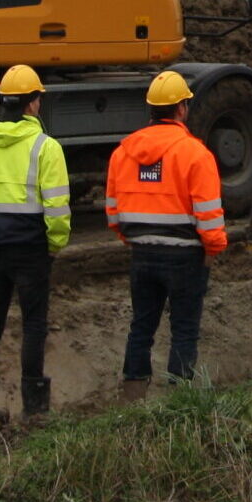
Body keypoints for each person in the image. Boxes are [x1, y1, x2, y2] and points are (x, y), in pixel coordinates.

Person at [106, 70, 228, 402]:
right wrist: (213, 248)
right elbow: (208, 212)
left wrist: (133, 240)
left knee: (141, 327)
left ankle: (132, 398)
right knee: (184, 330)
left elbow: (114, 213)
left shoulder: (124, 152)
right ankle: (180, 402)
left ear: (151, 109)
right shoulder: (195, 153)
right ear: (182, 109)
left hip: (142, 255)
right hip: (186, 256)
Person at [0, 63, 71, 420]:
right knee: (34, 323)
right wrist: (55, 244)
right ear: (32, 104)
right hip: (32, 249)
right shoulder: (46, 147)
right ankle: (34, 409)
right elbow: (56, 207)